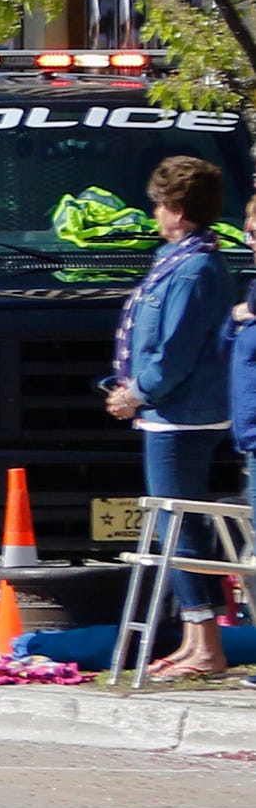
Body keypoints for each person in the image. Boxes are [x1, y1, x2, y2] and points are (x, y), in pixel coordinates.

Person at [113, 155, 239, 679]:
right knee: (180, 523)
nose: (156, 216)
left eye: (160, 205)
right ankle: (194, 639)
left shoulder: (193, 269)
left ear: (179, 211)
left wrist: (136, 394)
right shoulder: (186, 261)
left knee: (177, 524)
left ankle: (206, 643)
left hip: (180, 415)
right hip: (175, 410)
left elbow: (176, 351)